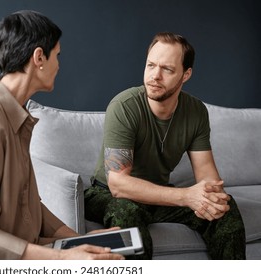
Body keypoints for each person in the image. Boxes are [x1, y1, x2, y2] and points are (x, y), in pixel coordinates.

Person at [0, 10, 124, 260]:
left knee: (107, 258)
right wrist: (64, 259)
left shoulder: (14, 116)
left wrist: (80, 241)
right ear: (39, 56)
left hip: (10, 248)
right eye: (57, 56)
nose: (59, 65)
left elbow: (29, 205)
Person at [84, 32, 246, 259]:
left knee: (225, 211)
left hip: (158, 194)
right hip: (106, 193)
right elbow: (118, 184)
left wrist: (212, 198)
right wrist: (186, 197)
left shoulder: (196, 111)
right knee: (126, 213)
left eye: (167, 69)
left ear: (186, 74)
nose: (155, 76)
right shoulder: (125, 106)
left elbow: (207, 177)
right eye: (151, 65)